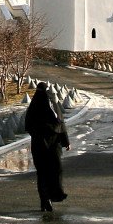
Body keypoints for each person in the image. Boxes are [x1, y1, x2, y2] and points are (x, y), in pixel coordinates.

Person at [24, 82, 70, 212]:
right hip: (45, 143)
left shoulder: (45, 106)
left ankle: (49, 197)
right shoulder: (45, 106)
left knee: (49, 171)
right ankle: (47, 199)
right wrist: (65, 141)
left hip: (46, 144)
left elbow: (60, 122)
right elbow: (60, 123)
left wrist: (65, 141)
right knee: (49, 171)